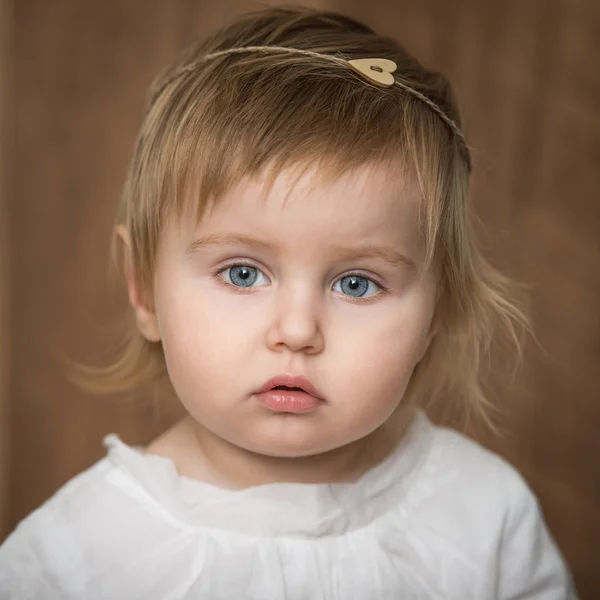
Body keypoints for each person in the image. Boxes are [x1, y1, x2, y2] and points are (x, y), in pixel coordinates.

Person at [0, 5, 578, 599]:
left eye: (357, 283)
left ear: (436, 315)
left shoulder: (483, 517)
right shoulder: (77, 555)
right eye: (244, 272)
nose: (298, 330)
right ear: (144, 288)